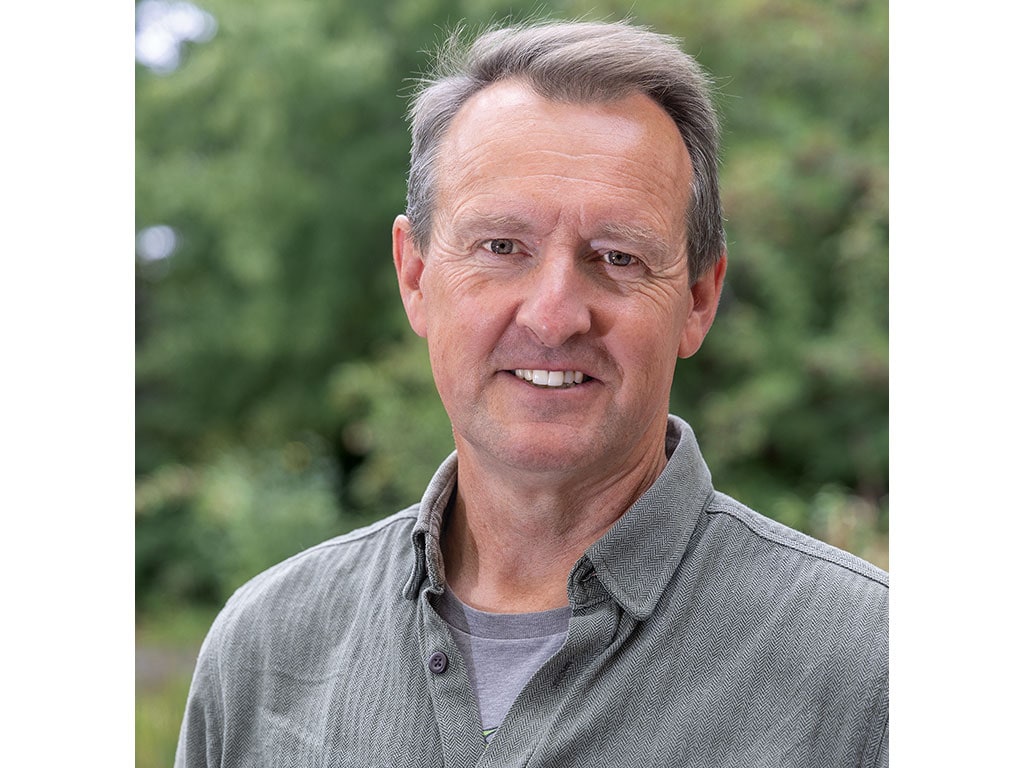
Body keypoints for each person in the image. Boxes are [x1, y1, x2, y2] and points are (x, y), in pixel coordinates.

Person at [175, 19, 888, 767]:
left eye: (617, 256)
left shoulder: (873, 672)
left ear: (700, 298)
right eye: (502, 247)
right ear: (415, 276)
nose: (552, 315)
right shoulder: (265, 649)